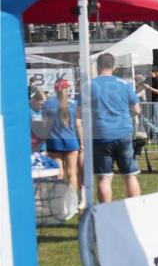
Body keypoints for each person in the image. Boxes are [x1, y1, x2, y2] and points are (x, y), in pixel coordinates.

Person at [85, 53, 141, 203]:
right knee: (130, 175)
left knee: (104, 177)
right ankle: (136, 209)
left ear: (97, 67)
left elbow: (80, 113)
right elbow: (136, 109)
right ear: (114, 67)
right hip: (123, 133)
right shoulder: (124, 84)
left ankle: (106, 213)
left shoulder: (90, 85)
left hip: (101, 134)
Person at [42, 79, 82, 194]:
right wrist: (82, 143)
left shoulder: (47, 104)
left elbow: (44, 124)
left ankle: (59, 200)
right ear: (68, 89)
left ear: (55, 89)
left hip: (54, 141)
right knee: (72, 173)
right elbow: (78, 125)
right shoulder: (74, 104)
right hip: (71, 141)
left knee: (58, 173)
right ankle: (72, 201)